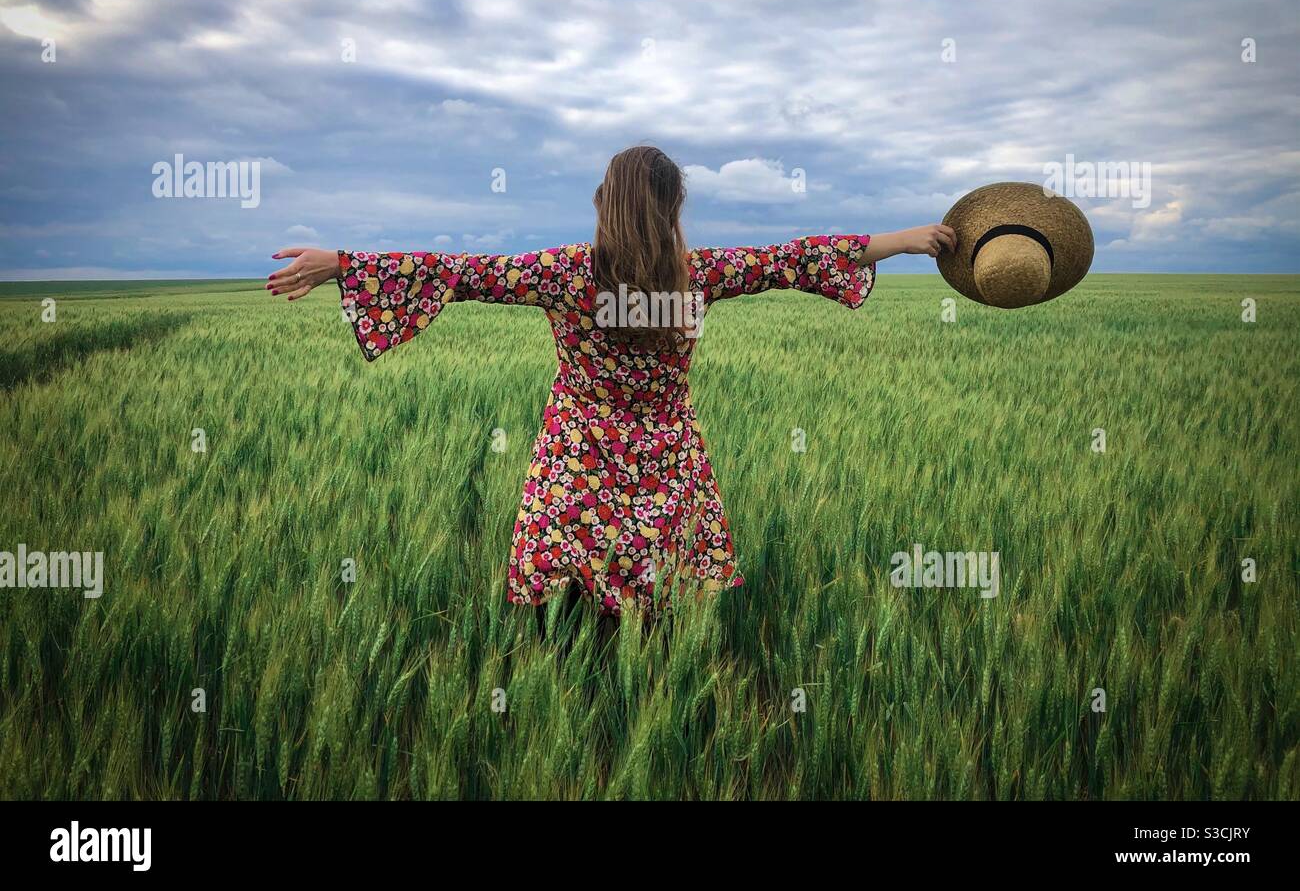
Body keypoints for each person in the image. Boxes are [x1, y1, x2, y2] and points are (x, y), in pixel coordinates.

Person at [268, 146, 955, 620]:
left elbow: (457, 271)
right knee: (663, 606)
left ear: (608, 202)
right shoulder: (700, 273)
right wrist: (905, 238)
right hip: (669, 462)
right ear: (672, 206)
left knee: (564, 611)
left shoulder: (567, 272)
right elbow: (796, 258)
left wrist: (345, 263)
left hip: (577, 464)